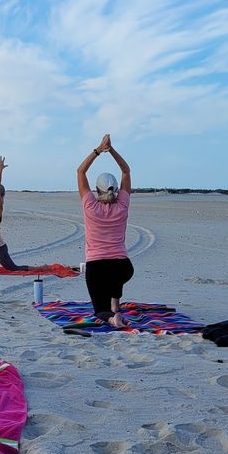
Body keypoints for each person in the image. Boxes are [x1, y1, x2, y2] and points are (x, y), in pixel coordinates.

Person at [76, 134, 133, 327]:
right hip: (123, 267)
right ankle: (115, 301)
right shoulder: (122, 205)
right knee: (116, 279)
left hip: (97, 267)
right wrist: (113, 150)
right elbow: (126, 171)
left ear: (96, 190)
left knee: (99, 310)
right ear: (116, 189)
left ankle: (112, 317)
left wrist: (99, 150)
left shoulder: (90, 206)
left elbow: (80, 171)